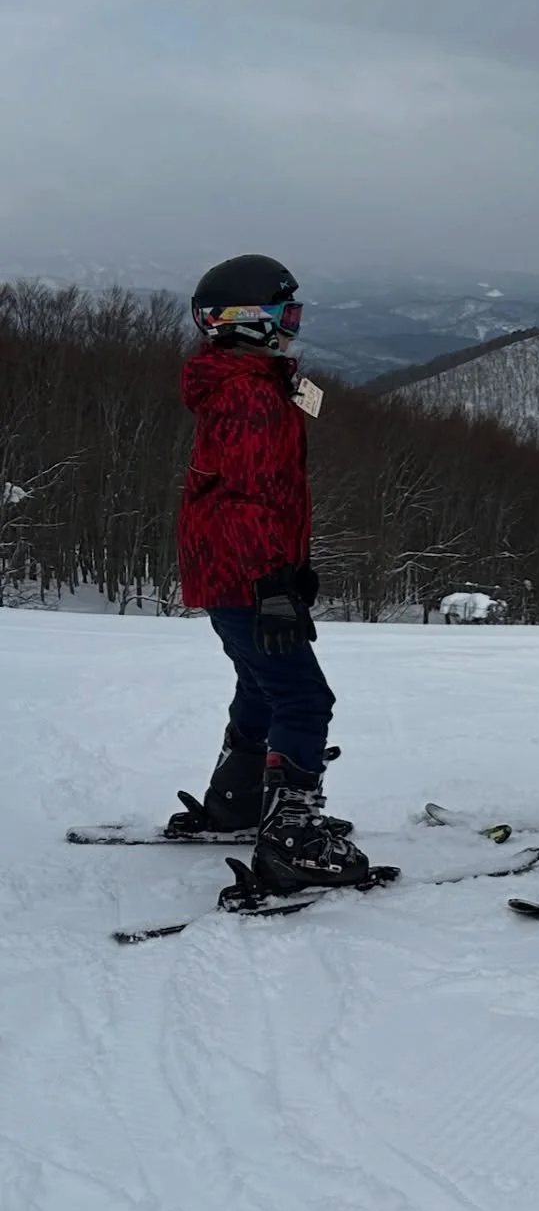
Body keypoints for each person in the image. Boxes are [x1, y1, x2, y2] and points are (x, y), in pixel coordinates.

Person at [169, 254, 369, 895]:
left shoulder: (255, 386)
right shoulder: (252, 397)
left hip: (236, 571)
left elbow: (266, 494)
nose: (295, 324)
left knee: (261, 686)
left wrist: (290, 567)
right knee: (304, 699)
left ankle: (236, 800)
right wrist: (272, 582)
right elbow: (251, 499)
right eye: (287, 312)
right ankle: (293, 839)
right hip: (242, 572)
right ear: (249, 322)